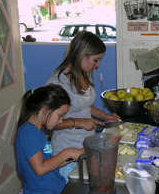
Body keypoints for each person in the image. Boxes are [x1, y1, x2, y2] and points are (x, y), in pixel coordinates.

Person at [46, 31, 120, 182]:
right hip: (68, 150)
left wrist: (105, 116)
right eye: (96, 60)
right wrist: (78, 122)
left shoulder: (83, 73)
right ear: (82, 55)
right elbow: (48, 123)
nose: (98, 65)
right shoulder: (58, 84)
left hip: (86, 144)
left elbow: (83, 105)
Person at [15, 84, 85, 194]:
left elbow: (50, 164)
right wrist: (67, 152)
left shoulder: (38, 132)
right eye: (60, 115)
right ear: (45, 109)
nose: (61, 121)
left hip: (53, 193)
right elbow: (40, 169)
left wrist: (73, 157)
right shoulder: (28, 132)